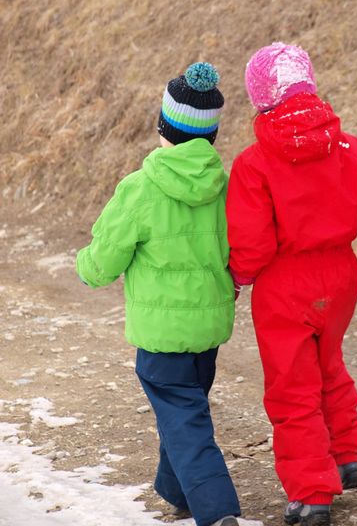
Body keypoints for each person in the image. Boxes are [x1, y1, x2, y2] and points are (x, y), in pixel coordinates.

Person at [226, 43, 357, 526]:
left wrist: (237, 279)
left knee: (292, 387)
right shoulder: (347, 148)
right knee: (328, 362)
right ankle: (345, 455)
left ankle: (312, 493)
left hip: (285, 285)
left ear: (261, 96)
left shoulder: (254, 163)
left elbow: (252, 243)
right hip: (340, 279)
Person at [76, 62, 241, 526]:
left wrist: (86, 270)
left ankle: (218, 509)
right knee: (184, 410)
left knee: (183, 417)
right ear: (210, 136)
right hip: (208, 329)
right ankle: (176, 490)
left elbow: (105, 256)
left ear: (163, 128)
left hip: (161, 335)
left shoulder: (140, 188)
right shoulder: (225, 186)